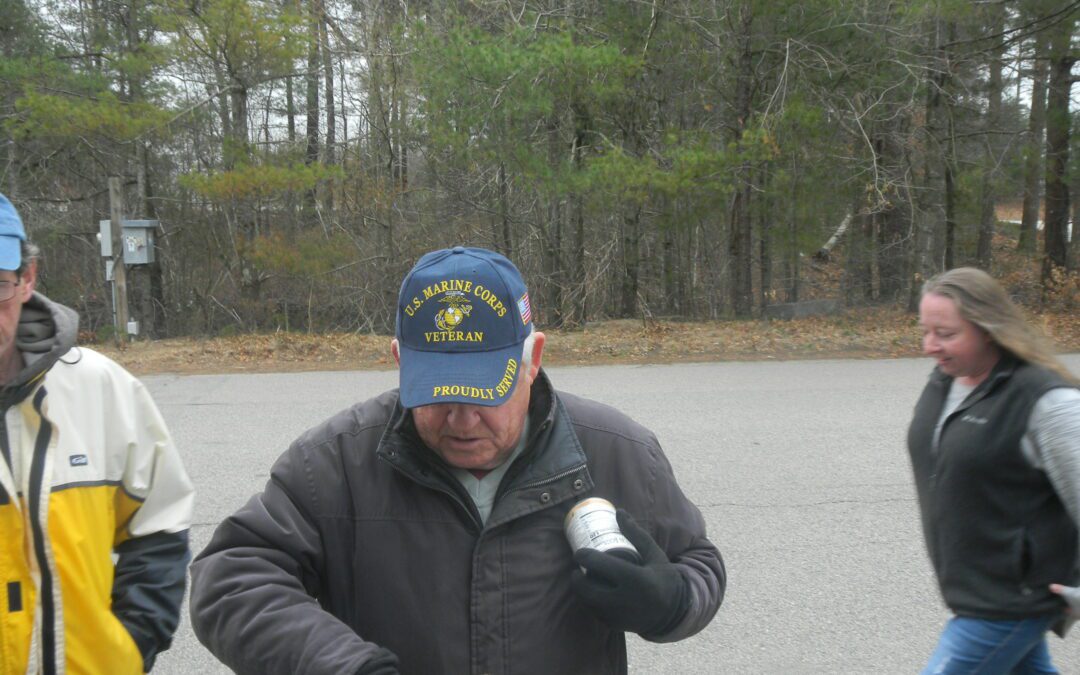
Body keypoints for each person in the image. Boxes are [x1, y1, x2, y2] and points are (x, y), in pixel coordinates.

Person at [189, 245, 725, 674]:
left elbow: (698, 562)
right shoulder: (334, 464)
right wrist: (340, 665)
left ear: (532, 359)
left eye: (485, 392)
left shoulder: (617, 452)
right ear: (400, 362)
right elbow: (231, 579)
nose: (462, 421)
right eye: (438, 393)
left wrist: (672, 602)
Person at [0, 193, 195, 673]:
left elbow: (159, 521)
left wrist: (129, 646)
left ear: (28, 279)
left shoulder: (100, 387)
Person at [909, 267, 1080, 674]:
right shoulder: (947, 381)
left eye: (946, 334)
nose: (930, 346)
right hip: (975, 589)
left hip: (1015, 598)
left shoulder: (1046, 402)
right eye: (925, 330)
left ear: (989, 329)